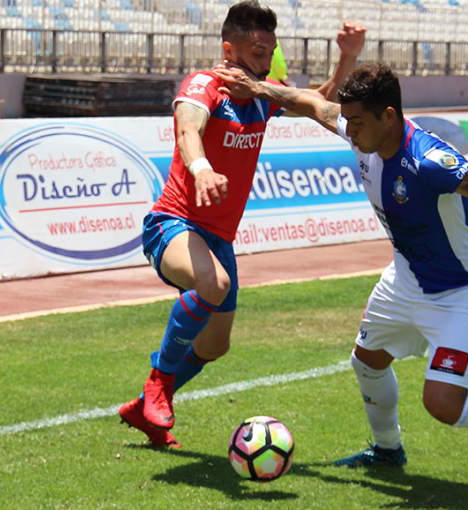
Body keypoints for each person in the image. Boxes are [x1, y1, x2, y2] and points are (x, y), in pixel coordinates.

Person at [214, 61, 468, 499]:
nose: (347, 130)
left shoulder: (430, 162)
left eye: (356, 122)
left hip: (465, 290)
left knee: (442, 404)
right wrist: (256, 87)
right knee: (367, 361)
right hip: (406, 279)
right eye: (346, 120)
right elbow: (312, 103)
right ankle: (388, 450)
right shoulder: (362, 131)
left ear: (388, 116)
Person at [118, 0, 366, 449]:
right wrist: (201, 170)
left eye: (269, 51)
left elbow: (318, 103)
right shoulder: (204, 85)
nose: (265, 61)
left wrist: (347, 58)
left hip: (217, 238)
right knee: (212, 285)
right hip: (172, 222)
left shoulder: (263, 93)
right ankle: (158, 382)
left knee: (215, 346)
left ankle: (146, 410)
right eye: (256, 52)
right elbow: (188, 131)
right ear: (229, 50)